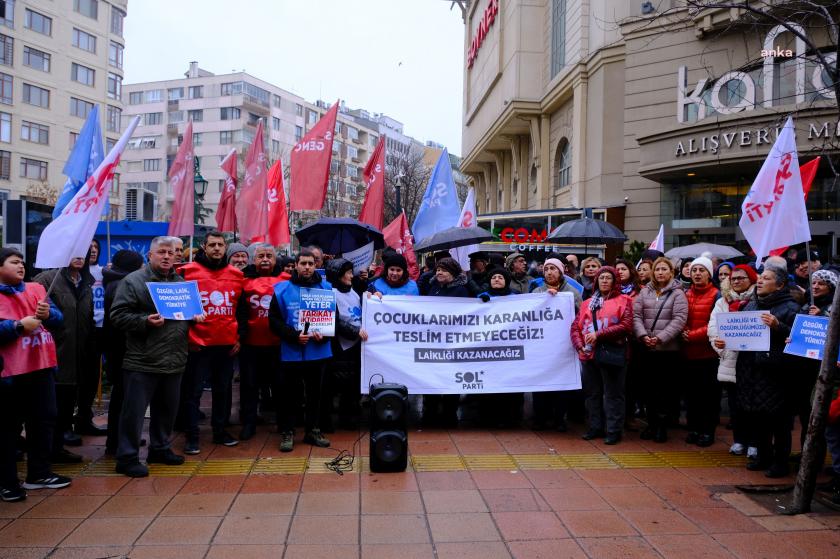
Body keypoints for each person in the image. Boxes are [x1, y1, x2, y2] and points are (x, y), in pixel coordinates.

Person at [110, 237, 205, 477]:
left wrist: (194, 316)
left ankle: (160, 448)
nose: (166, 257)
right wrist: (144, 321)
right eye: (161, 252)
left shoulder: (181, 283)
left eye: (171, 253)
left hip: (174, 359)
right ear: (149, 256)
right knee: (134, 413)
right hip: (143, 361)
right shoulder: (133, 281)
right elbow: (118, 315)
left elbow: (184, 314)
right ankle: (127, 457)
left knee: (167, 411)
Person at [0, 247, 70, 501]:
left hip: (41, 367)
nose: (21, 266)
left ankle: (39, 473)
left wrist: (48, 314)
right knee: (8, 428)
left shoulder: (36, 289)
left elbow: (58, 319)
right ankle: (7, 483)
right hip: (8, 373)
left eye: (22, 263)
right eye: (13, 262)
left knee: (44, 420)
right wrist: (17, 327)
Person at [179, 231, 244, 454]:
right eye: (212, 245)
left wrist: (239, 338)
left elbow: (242, 311)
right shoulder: (186, 272)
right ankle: (192, 436)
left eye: (220, 245)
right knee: (193, 392)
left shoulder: (236, 275)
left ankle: (219, 431)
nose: (217, 248)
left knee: (222, 391)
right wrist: (186, 337)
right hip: (198, 344)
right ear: (204, 248)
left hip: (226, 345)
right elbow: (176, 306)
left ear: (225, 248)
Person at [736, 265, 800, 477]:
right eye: (760, 278)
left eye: (767, 278)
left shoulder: (791, 308)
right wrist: (726, 340)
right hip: (752, 371)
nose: (760, 281)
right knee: (758, 417)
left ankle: (780, 462)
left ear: (780, 284)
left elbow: (799, 339)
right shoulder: (751, 305)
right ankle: (763, 457)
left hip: (776, 373)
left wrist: (779, 326)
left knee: (779, 422)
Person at [269, 249, 333, 452]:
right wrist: (293, 335)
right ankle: (288, 432)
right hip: (291, 351)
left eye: (311, 264)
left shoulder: (326, 288)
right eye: (303, 263)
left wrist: (325, 334)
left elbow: (334, 320)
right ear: (296, 265)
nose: (307, 267)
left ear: (316, 266)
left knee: (316, 394)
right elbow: (274, 321)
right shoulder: (281, 289)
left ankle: (312, 430)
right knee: (289, 395)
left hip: (318, 351)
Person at [34, 255, 94, 463]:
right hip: (53, 352)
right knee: (51, 406)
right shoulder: (46, 280)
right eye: (74, 253)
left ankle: (57, 447)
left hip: (78, 352)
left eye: (83, 253)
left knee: (67, 403)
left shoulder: (86, 281)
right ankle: (46, 452)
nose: (79, 257)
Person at [571, 266, 633, 444]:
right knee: (593, 394)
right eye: (601, 278)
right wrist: (579, 345)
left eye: (608, 278)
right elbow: (576, 327)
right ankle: (595, 427)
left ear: (615, 281)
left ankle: (614, 430)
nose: (604, 281)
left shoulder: (624, 300)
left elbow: (626, 326)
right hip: (589, 355)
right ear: (596, 281)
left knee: (613, 394)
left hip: (612, 353)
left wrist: (599, 334)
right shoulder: (587, 303)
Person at [236, 243, 290, 441]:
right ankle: (248, 423)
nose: (265, 259)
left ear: (275, 260)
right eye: (261, 256)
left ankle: (284, 424)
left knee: (280, 387)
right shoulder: (242, 280)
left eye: (269, 255)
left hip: (278, 345)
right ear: (254, 259)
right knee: (249, 386)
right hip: (250, 344)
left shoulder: (286, 280)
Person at [633, 257, 688, 443]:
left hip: (667, 350)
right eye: (657, 269)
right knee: (648, 389)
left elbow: (679, 319)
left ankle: (661, 427)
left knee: (664, 390)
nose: (660, 273)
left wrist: (661, 338)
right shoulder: (645, 291)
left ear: (671, 272)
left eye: (664, 269)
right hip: (646, 349)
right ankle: (651, 423)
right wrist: (643, 336)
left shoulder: (678, 293)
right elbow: (636, 316)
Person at [708, 264, 757, 456]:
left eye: (740, 278)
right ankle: (739, 440)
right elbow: (713, 327)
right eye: (733, 278)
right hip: (730, 358)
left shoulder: (757, 299)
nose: (736, 281)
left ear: (751, 279)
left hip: (752, 361)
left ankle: (755, 441)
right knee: (736, 404)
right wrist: (717, 344)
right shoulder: (723, 302)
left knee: (753, 405)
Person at [102, 250, 145, 455]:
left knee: (122, 396)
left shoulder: (113, 280)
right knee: (124, 397)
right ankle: (117, 441)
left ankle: (120, 438)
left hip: (116, 347)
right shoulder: (122, 284)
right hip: (122, 348)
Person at [532, 258, 583, 431]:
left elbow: (580, 316)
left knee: (561, 383)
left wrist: (560, 299)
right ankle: (540, 418)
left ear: (561, 272)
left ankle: (559, 418)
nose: (549, 272)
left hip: (564, 346)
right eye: (546, 269)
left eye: (553, 269)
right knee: (541, 383)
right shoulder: (537, 291)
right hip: (542, 347)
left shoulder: (572, 292)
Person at [423, 257, 471, 426]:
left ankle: (449, 415)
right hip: (434, 342)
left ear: (453, 272)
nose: (439, 273)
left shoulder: (461, 291)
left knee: (451, 379)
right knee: (432, 378)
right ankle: (429, 413)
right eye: (437, 270)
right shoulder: (433, 287)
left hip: (453, 343)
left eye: (443, 270)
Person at [681, 256, 721, 447]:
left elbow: (715, 325)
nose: (697, 273)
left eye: (701, 270)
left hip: (708, 355)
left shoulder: (716, 295)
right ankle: (694, 428)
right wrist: (681, 332)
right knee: (691, 395)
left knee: (708, 397)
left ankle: (707, 431)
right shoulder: (685, 293)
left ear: (709, 274)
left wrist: (692, 335)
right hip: (688, 354)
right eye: (694, 270)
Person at [326, 258, 368, 429]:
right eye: (348, 272)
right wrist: (353, 331)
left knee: (353, 383)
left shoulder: (354, 292)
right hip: (341, 346)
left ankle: (351, 413)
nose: (352, 275)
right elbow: (333, 321)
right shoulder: (331, 294)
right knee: (341, 384)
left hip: (356, 345)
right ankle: (343, 418)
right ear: (339, 274)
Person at [77, 239, 107, 437]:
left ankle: (84, 419)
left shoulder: (105, 271)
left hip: (101, 329)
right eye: (89, 248)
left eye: (96, 247)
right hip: (82, 330)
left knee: (92, 377)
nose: (92, 251)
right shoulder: (76, 275)